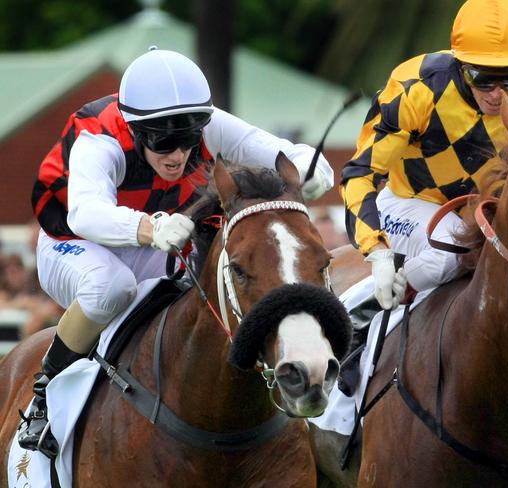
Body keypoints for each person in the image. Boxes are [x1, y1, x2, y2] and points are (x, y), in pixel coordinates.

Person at [19, 47, 334, 458]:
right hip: (74, 242)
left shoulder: (207, 124)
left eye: (187, 141)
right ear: (135, 130)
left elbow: (276, 150)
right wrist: (150, 228)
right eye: (163, 143)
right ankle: (45, 391)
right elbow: (85, 214)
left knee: (207, 290)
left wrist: (313, 171)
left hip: (156, 237)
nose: (178, 155)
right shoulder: (100, 139)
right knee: (111, 286)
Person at [339, 0, 508, 397]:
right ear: (461, 65)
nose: (497, 95)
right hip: (409, 201)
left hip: (482, 210)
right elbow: (359, 173)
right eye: (482, 78)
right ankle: (352, 320)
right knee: (451, 248)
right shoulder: (416, 87)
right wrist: (376, 251)